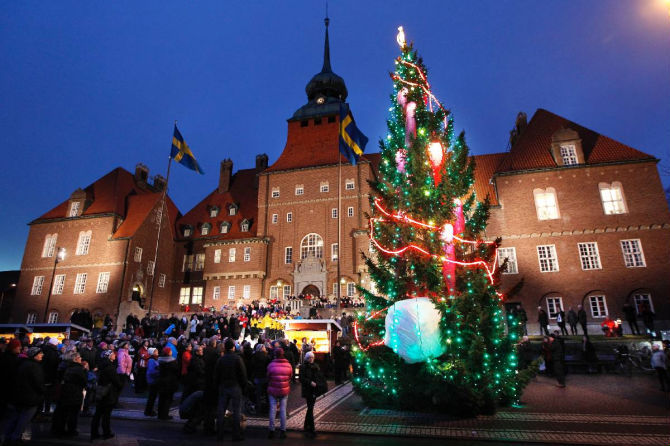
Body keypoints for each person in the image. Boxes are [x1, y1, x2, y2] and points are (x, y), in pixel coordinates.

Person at [3, 347, 45, 444]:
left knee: (15, 417)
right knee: (24, 419)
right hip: (30, 397)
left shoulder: (22, 364)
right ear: (34, 355)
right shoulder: (34, 366)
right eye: (40, 353)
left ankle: (8, 436)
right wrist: (42, 391)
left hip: (19, 396)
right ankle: (15, 437)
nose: (42, 355)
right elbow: (38, 383)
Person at [214, 338, 247, 441]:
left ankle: (219, 434)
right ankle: (236, 434)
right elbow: (243, 374)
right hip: (235, 386)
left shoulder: (221, 359)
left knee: (221, 411)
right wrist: (243, 385)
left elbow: (216, 375)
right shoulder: (237, 359)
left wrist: (218, 385)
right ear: (233, 347)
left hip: (224, 386)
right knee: (237, 411)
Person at [51, 351, 87, 437]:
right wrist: (85, 370)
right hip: (75, 393)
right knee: (73, 414)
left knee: (64, 413)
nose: (81, 359)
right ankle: (71, 431)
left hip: (66, 392)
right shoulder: (79, 369)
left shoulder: (67, 367)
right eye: (79, 357)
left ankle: (60, 429)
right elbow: (84, 382)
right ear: (75, 359)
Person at [91, 350, 122, 441]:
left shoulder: (101, 365)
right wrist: (120, 385)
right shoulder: (110, 368)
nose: (114, 356)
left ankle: (94, 433)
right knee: (106, 415)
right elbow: (116, 382)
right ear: (108, 356)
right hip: (108, 393)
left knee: (98, 413)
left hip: (101, 392)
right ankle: (106, 433)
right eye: (112, 354)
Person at [266, 347, 292, 439]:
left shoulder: (271, 365)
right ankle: (283, 430)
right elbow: (290, 377)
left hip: (273, 389)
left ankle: (271, 430)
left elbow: (268, 376)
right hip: (284, 390)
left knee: (273, 409)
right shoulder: (288, 365)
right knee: (283, 410)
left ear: (275, 355)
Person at [299, 351, 321, 438]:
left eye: (312, 357)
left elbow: (319, 376)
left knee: (310, 408)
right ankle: (312, 428)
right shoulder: (303, 367)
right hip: (308, 390)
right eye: (309, 358)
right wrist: (310, 382)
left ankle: (306, 426)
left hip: (314, 390)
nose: (311, 359)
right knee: (310, 407)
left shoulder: (316, 366)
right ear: (306, 358)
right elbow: (302, 378)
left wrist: (318, 384)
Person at [157, 347, 179, 420]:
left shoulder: (160, 360)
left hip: (161, 381)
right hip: (170, 382)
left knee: (161, 398)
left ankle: (160, 414)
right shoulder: (173, 361)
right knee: (168, 399)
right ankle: (165, 414)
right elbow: (176, 371)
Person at [144, 348, 160, 416]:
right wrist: (159, 372)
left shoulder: (155, 359)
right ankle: (148, 411)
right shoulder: (151, 360)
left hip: (154, 380)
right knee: (151, 397)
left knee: (153, 396)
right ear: (152, 353)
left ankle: (150, 410)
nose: (157, 352)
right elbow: (151, 371)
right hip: (152, 380)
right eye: (155, 351)